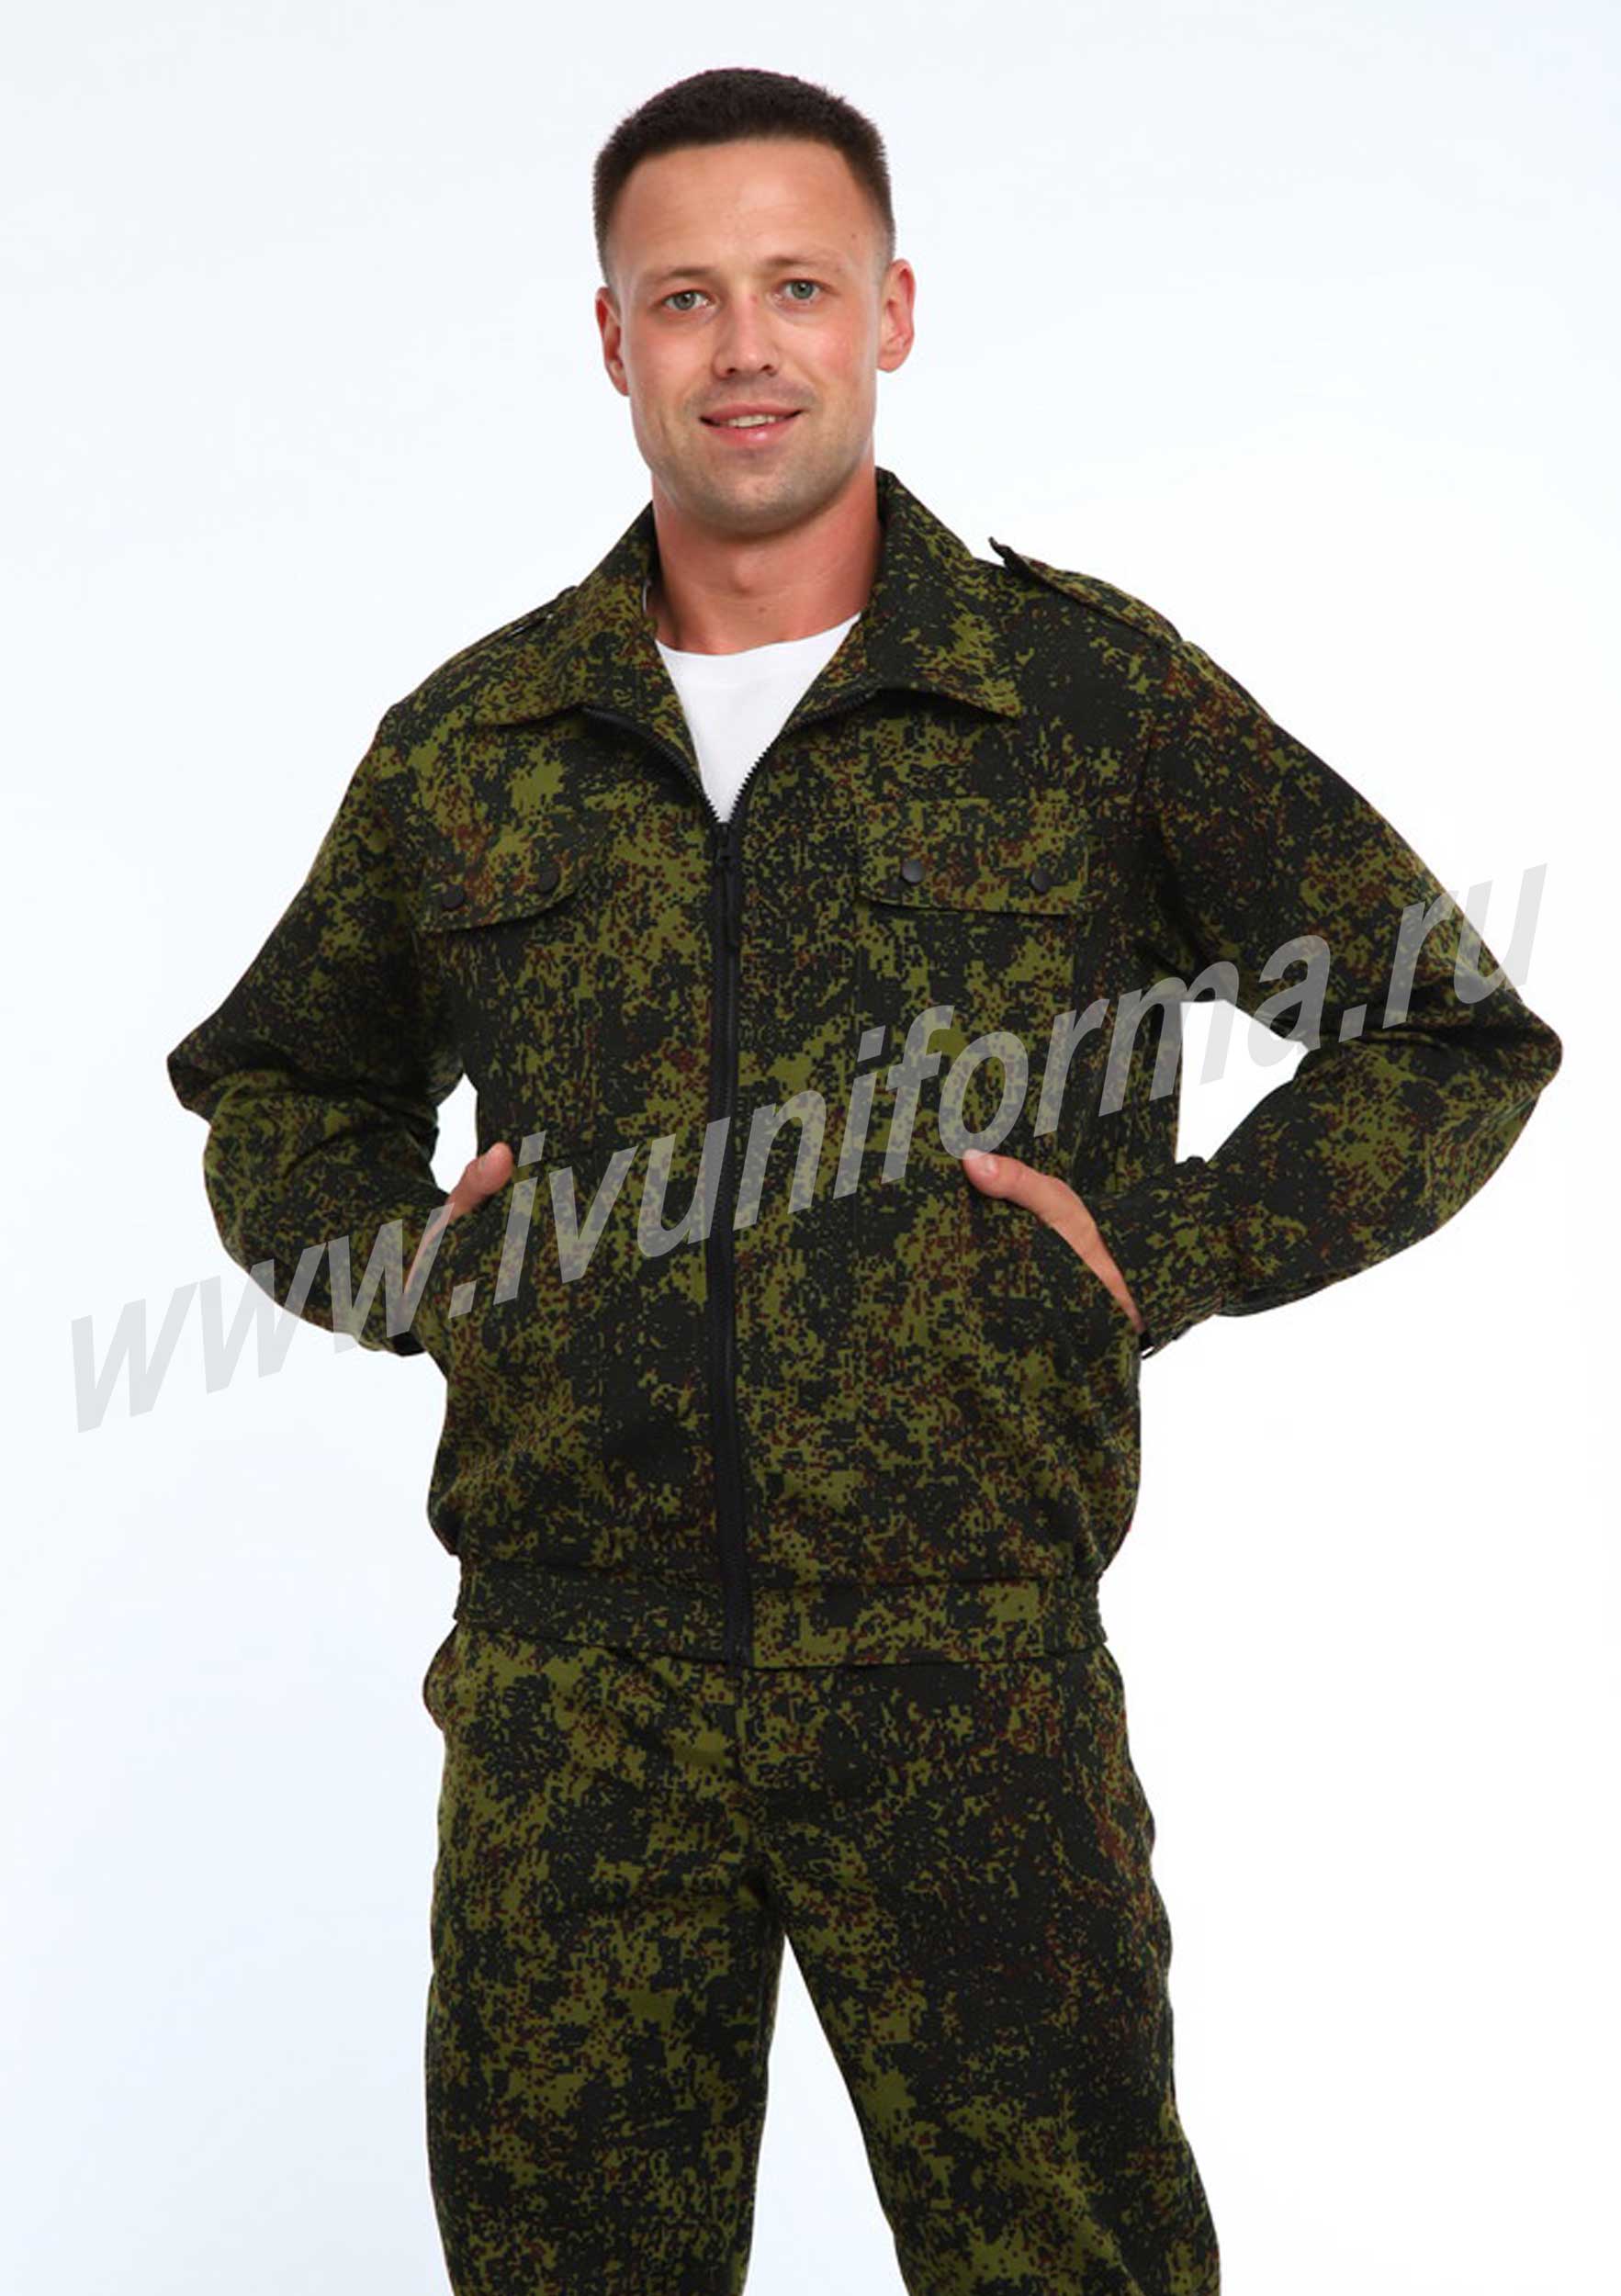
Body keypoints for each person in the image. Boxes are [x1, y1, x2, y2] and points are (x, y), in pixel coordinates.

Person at [164, 63, 1562, 2296]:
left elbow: (1444, 1025)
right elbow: (275, 1086)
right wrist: (416, 1269)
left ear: (890, 311)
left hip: (966, 1679)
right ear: (611, 337)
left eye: (797, 287)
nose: (744, 347)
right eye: (685, 296)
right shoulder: (480, 742)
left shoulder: (1077, 702)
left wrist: (1165, 1249)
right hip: (573, 1694)